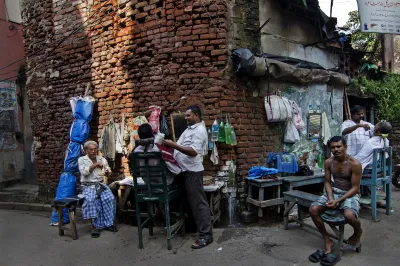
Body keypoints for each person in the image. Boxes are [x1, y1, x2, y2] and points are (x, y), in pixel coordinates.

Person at [162, 105, 213, 249]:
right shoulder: (190, 129)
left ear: (196, 115)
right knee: (189, 202)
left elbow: (193, 152)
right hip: (184, 170)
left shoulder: (200, 130)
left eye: (188, 115)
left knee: (199, 203)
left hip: (192, 171)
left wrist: (173, 145)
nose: (185, 118)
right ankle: (195, 228)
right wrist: (169, 146)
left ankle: (206, 235)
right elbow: (183, 146)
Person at [308, 136, 362, 264]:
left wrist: (338, 201)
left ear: (345, 147)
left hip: (350, 193)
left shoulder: (355, 164)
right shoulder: (328, 162)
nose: (336, 149)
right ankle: (328, 240)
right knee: (313, 209)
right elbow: (327, 182)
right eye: (333, 147)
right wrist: (331, 198)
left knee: (349, 215)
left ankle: (358, 232)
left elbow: (355, 188)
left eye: (339, 146)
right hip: (334, 191)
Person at [78, 140, 118, 238]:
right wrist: (95, 165)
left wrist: (107, 173)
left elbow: (109, 171)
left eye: (95, 149)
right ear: (86, 150)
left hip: (100, 185)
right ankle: (95, 226)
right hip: (88, 185)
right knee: (92, 200)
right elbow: (84, 172)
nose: (93, 151)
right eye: (91, 149)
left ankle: (109, 223)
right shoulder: (82, 160)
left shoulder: (102, 159)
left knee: (109, 198)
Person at [354, 121, 391, 207]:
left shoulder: (370, 142)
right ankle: (367, 196)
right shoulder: (386, 141)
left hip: (370, 172)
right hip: (380, 170)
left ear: (376, 129)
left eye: (376, 124)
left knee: (347, 170)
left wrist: (350, 158)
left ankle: (353, 200)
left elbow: (360, 158)